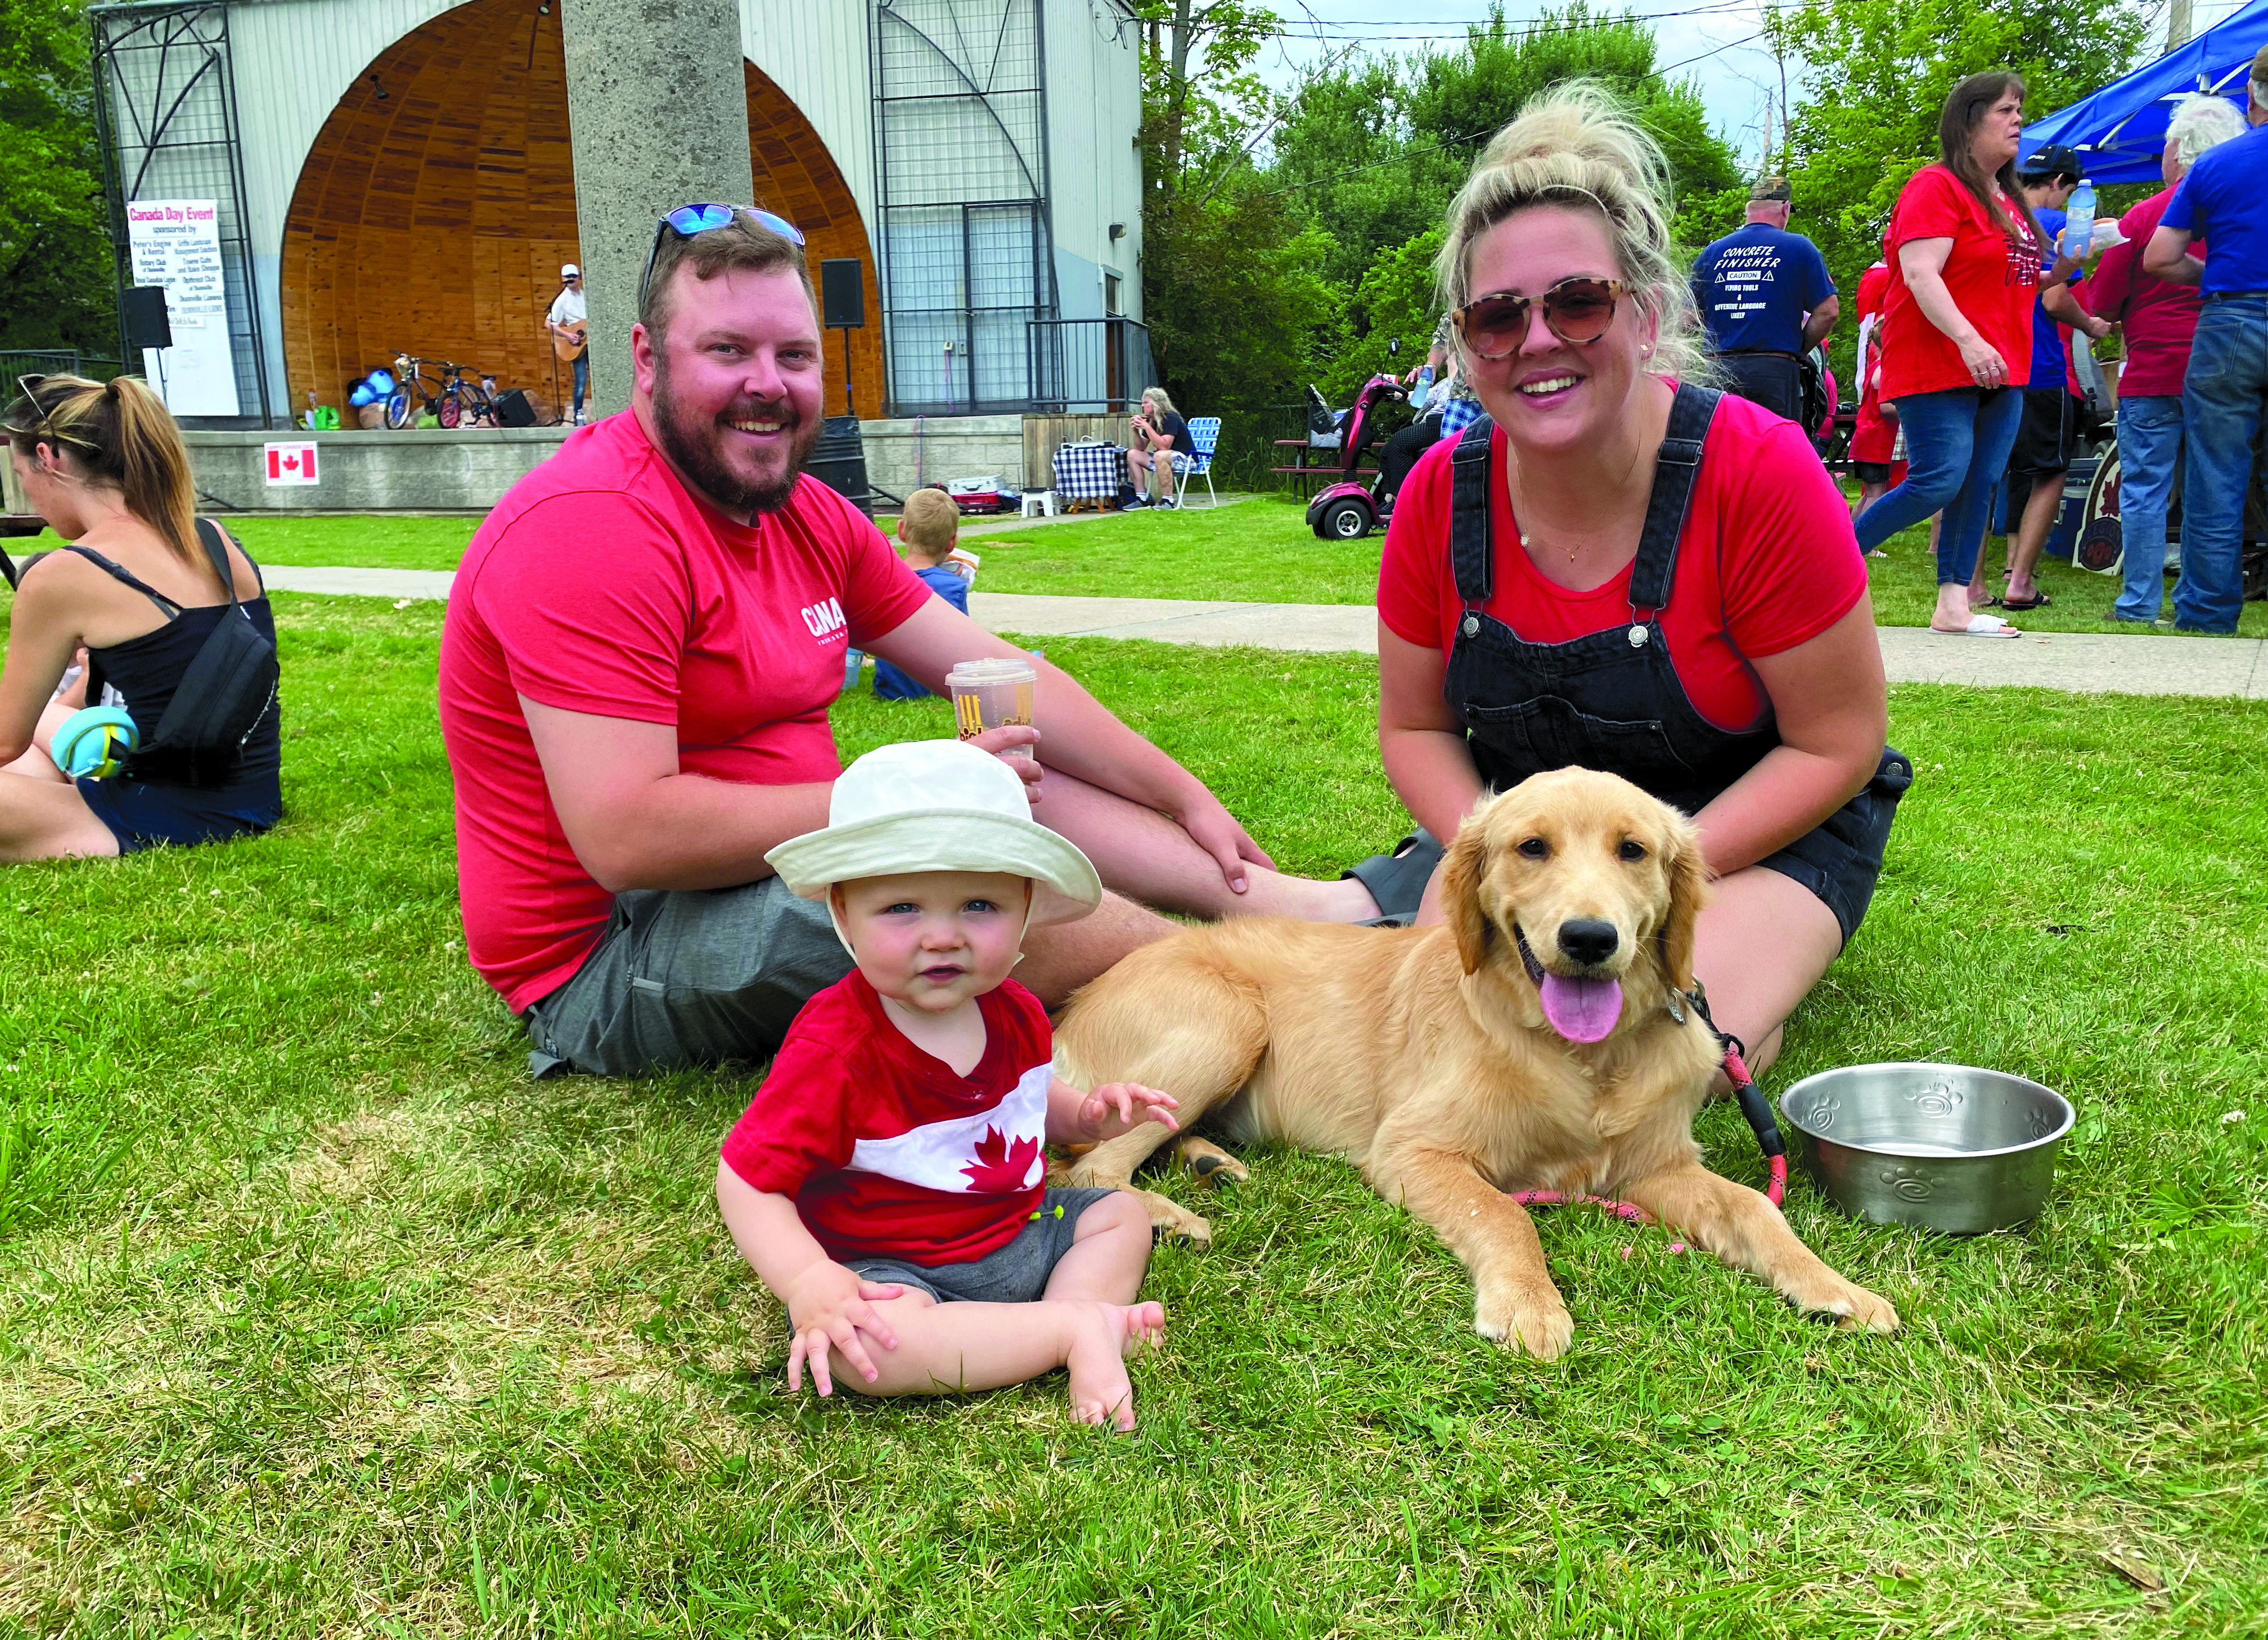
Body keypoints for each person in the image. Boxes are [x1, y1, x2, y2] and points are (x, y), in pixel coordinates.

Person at [438, 207, 1380, 1080]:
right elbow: (627, 835)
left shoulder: (808, 514)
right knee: (941, 869)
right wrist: (914, 794)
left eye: (793, 355)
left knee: (1002, 767)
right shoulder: (591, 525)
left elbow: (998, 674)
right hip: (615, 952)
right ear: (647, 359)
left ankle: (1291, 907)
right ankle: (1260, 996)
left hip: (784, 864)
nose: (768, 384)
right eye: (727, 350)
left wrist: (1182, 795)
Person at [1352, 80, 1910, 1084]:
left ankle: (1745, 983)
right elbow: (1416, 728)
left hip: (1748, 836)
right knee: (1408, 1012)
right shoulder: (1437, 492)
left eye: (1579, 303)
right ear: (1466, 345)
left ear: (1648, 315)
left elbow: (1838, 742)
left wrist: (1651, 878)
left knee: (1653, 1055)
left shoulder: (1759, 470)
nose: (1537, 341)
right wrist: (1492, 859)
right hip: (1537, 847)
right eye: (1497, 316)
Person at [714, 740, 1178, 1429]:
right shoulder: (836, 1049)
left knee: (1121, 1216)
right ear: (843, 912)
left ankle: (1054, 1324)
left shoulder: (1016, 1010)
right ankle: (1074, 1328)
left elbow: (1024, 1101)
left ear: (1025, 907)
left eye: (979, 905)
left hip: (1021, 1231)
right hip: (894, 1269)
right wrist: (808, 1278)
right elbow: (746, 1181)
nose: (942, 937)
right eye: (902, 907)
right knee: (860, 1351)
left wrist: (1085, 1117)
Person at [0, 374, 282, 862]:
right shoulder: (215, 538)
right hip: (250, 801)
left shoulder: (65, 572)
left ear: (47, 458)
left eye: (22, 476)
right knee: (40, 743)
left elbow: (6, 741)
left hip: (155, 816)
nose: (31, 499)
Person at [1853, 73, 2089, 637]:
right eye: (2006, 110)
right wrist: (1969, 339)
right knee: (1938, 479)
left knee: (1979, 483)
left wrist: (2066, 266)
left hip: (2004, 365)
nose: (2018, 120)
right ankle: (1819, 559)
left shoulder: (2008, 200)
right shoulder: (1936, 187)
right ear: (1969, 119)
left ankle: (1953, 606)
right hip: (1938, 361)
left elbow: (2019, 284)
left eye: (2020, 110)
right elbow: (1920, 273)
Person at [2084, 93, 2247, 624]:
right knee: (2213, 488)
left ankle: (2138, 604)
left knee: (2144, 490)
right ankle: (2202, 602)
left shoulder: (2144, 216)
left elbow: (2103, 303)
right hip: (2225, 368)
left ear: (2177, 151)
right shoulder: (2240, 213)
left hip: (2152, 371)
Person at [2143, 49, 2268, 634]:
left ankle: (2207, 614)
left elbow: (2161, 256)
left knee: (2217, 474)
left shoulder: (2217, 163)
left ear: (2252, 96)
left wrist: (2217, 274)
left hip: (2231, 321)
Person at [1997, 144, 2113, 612]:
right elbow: (2054, 298)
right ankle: (2021, 581)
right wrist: (2092, 325)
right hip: (2040, 367)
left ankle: (1971, 585)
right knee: (2050, 473)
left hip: (1991, 364)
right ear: (2062, 184)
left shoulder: (1998, 218)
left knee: (1988, 474)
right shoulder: (2057, 227)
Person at [1689, 175, 1839, 422]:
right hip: (1773, 370)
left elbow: (1686, 317)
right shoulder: (1800, 248)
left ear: (1749, 209)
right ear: (1786, 208)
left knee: (1722, 441)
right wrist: (1801, 349)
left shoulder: (1712, 252)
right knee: (1774, 442)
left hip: (1718, 370)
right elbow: (1828, 311)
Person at [870, 487, 976, 702]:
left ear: (901, 530)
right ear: (952, 542)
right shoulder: (953, 586)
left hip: (890, 691)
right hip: (939, 689)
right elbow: (964, 647)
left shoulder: (881, 581)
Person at [1376, 323, 1458, 514]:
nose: (1444, 361)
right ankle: (1389, 498)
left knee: (1400, 443)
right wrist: (1400, 394)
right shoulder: (1444, 383)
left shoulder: (1464, 380)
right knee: (1387, 450)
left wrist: (1451, 361)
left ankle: (1402, 503)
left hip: (1443, 422)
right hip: (1432, 421)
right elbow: (1424, 398)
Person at [1848, 259, 1904, 523]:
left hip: (1869, 441)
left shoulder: (1876, 366)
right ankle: (1866, 537)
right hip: (1876, 442)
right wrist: (1908, 408)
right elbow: (1884, 406)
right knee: (1876, 494)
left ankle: (1853, 533)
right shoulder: (1883, 370)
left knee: (1870, 493)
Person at [1124, 387, 1189, 509]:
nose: (1142, 406)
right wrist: (1136, 431)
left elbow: (1164, 446)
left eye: (1146, 403)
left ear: (1156, 404)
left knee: (1160, 455)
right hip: (1165, 458)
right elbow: (1140, 447)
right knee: (1133, 454)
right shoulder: (1152, 421)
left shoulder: (1170, 418)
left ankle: (1168, 501)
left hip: (1186, 459)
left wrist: (1146, 427)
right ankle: (1142, 498)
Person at [545, 263, 590, 425]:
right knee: (581, 380)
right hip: (577, 345)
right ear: (563, 279)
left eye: (573, 277)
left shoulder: (587, 295)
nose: (571, 280)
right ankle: (578, 414)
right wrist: (568, 335)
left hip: (591, 342)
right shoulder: (562, 300)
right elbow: (549, 324)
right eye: (568, 277)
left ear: (579, 278)